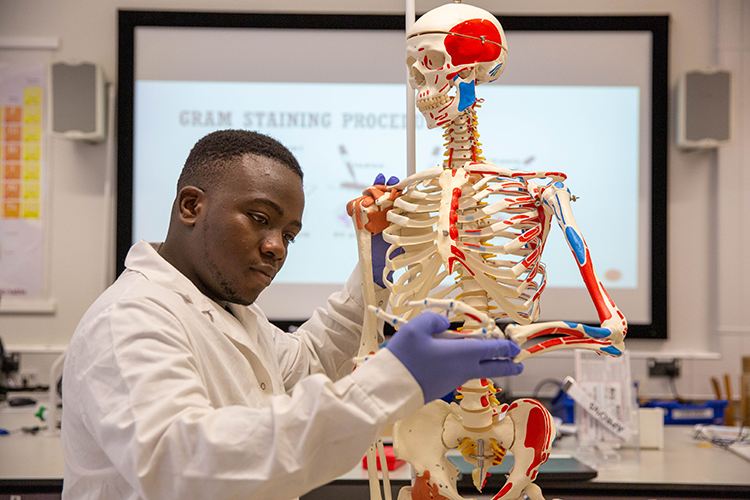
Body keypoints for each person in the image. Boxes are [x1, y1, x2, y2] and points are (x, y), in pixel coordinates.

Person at [61, 129, 524, 500]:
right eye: (260, 218)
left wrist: (373, 275)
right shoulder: (130, 320)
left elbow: (305, 364)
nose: (275, 248)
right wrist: (394, 380)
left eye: (290, 234)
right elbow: (186, 470)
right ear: (191, 205)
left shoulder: (225, 310)